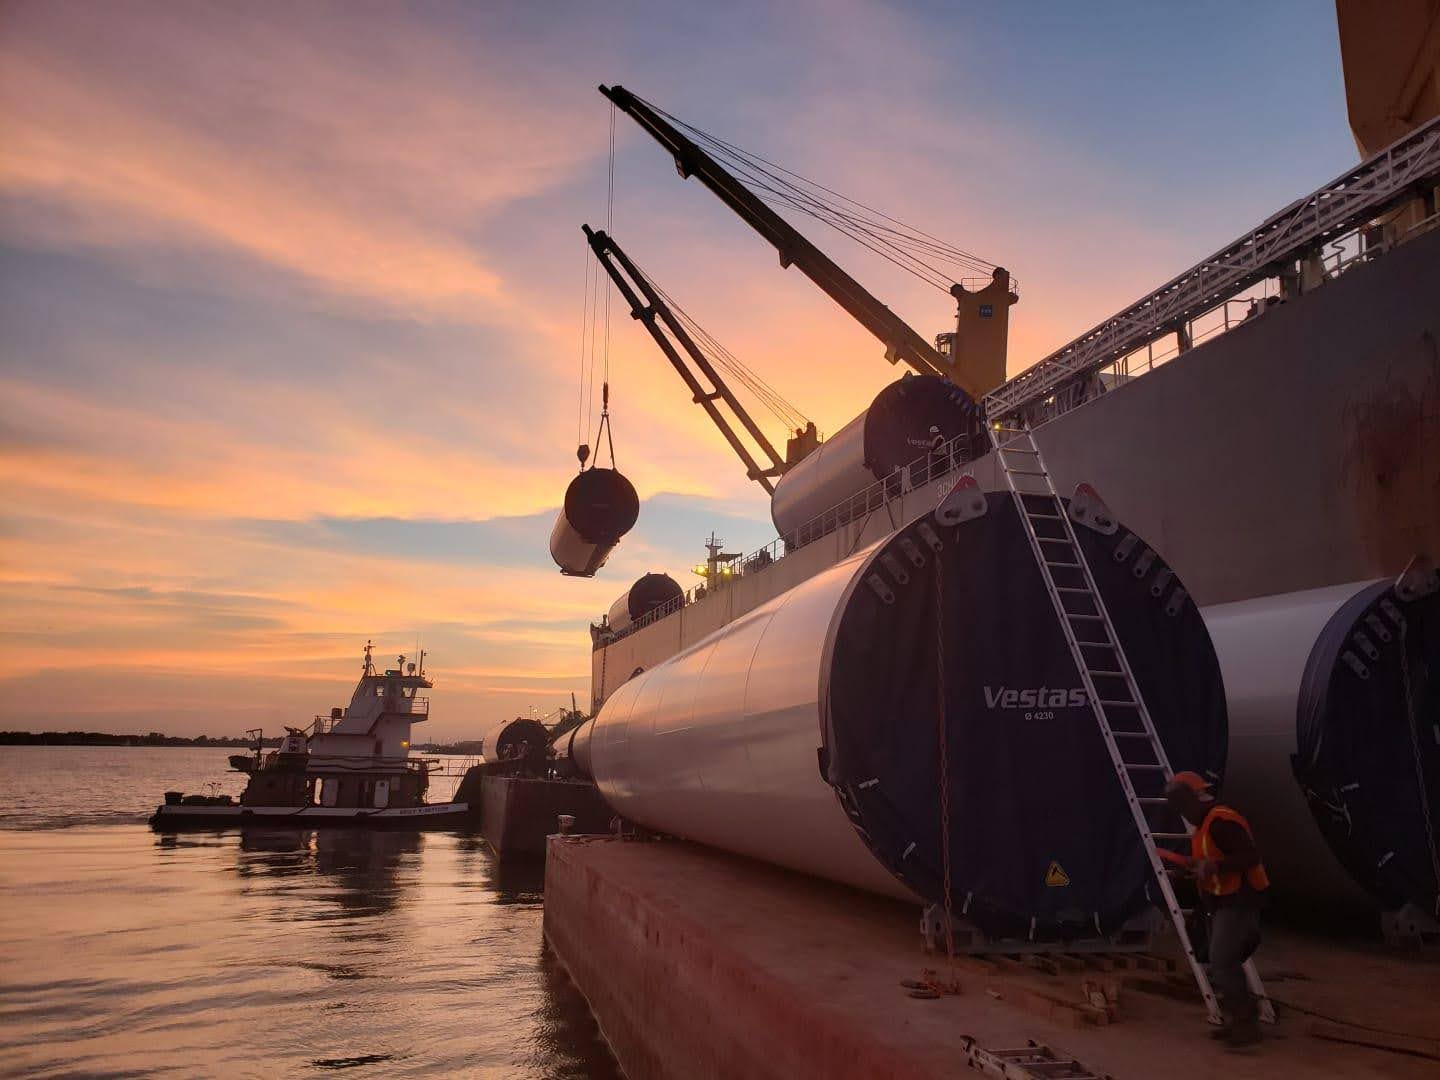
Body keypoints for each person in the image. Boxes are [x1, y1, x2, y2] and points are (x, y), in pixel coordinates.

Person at [1164, 771, 1270, 1049]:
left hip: (1240, 900)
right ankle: (1240, 1019)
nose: (1184, 815)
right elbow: (1212, 862)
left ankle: (1246, 1025)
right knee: (1224, 962)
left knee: (1222, 961)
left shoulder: (1221, 821)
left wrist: (1214, 867)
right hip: (1224, 900)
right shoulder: (1204, 827)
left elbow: (1250, 856)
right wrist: (1189, 870)